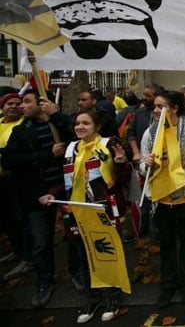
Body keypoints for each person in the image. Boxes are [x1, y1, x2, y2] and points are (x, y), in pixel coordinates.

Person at [49, 110, 131, 323]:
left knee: (107, 253)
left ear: (97, 126)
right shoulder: (70, 148)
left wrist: (121, 162)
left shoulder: (108, 144)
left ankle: (113, 297)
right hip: (77, 212)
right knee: (83, 256)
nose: (80, 127)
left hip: (103, 210)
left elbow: (124, 178)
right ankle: (92, 297)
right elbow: (68, 179)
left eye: (86, 123)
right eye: (77, 123)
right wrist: (52, 194)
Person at [1, 90, 74, 308]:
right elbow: (9, 161)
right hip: (37, 195)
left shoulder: (60, 126)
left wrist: (57, 116)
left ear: (43, 104)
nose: (21, 106)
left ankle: (77, 274)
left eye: (26, 101)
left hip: (66, 191)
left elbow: (79, 137)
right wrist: (47, 155)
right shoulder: (21, 131)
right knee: (41, 242)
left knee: (75, 236)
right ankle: (44, 282)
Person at [141, 91, 185, 308]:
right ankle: (168, 285)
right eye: (154, 106)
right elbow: (142, 168)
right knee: (167, 243)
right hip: (161, 199)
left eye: (161, 106)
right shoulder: (149, 134)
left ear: (174, 109)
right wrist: (146, 164)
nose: (155, 110)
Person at [0, 93, 31, 280]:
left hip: (16, 179)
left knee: (21, 217)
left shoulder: (23, 125)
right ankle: (17, 249)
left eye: (17, 103)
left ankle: (28, 256)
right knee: (6, 218)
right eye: (9, 103)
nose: (13, 106)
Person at [127, 83, 164, 238]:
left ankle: (157, 234)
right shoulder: (139, 113)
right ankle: (141, 230)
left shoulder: (165, 116)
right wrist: (136, 152)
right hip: (142, 164)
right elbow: (131, 133)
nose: (144, 98)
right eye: (145, 94)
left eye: (149, 95)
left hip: (160, 167)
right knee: (140, 199)